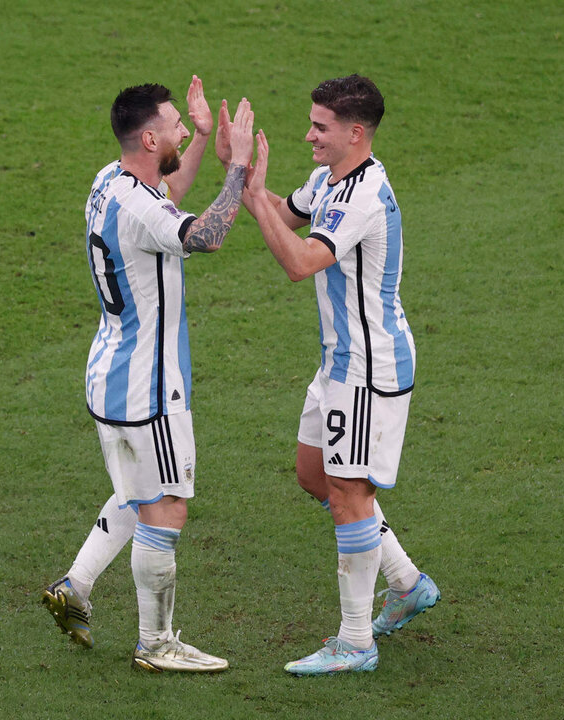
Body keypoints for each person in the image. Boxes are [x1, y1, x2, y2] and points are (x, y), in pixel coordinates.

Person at [42, 77, 256, 673]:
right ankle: (156, 643)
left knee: (138, 494)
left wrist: (201, 142)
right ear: (149, 134)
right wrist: (237, 167)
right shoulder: (142, 204)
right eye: (177, 125)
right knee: (167, 505)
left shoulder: (111, 183)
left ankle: (75, 587)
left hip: (109, 375)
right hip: (152, 389)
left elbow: (166, 197)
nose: (184, 129)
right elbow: (205, 234)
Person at [236, 75, 440, 675]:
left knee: (350, 493)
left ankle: (355, 642)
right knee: (314, 474)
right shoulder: (331, 179)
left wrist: (252, 202)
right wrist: (248, 182)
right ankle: (406, 583)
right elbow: (287, 215)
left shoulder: (365, 195)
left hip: (369, 369)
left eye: (320, 127)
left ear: (355, 133)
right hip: (337, 363)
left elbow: (300, 262)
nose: (309, 135)